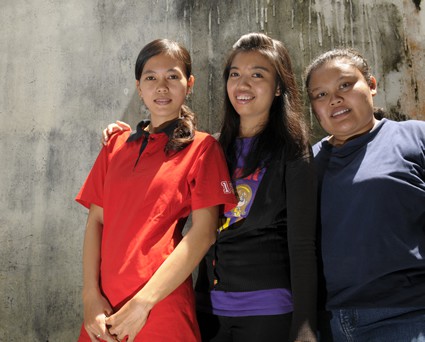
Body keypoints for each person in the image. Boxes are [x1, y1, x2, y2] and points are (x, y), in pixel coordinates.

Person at [104, 32, 318, 342]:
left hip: (268, 313)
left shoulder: (293, 150)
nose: (243, 85)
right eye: (235, 74)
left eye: (257, 74)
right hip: (210, 314)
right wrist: (124, 137)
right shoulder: (211, 147)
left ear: (278, 87)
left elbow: (303, 246)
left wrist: (305, 327)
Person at [76, 38, 237, 342]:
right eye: (151, 77)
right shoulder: (115, 145)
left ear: (189, 84)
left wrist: (143, 304)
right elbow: (96, 221)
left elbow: (203, 233)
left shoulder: (203, 148)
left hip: (160, 304)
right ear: (139, 87)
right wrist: (89, 297)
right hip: (103, 311)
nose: (161, 87)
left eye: (172, 76)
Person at [304, 48, 425, 341]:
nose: (334, 99)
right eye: (320, 95)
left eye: (345, 85)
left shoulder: (414, 138)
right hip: (328, 323)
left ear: (371, 85)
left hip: (404, 316)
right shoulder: (306, 163)